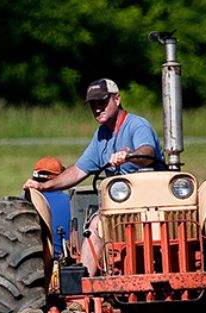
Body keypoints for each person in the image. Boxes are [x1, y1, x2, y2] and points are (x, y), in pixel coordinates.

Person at [23, 78, 163, 275]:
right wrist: (44, 186)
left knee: (98, 223)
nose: (97, 109)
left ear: (117, 98)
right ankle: (84, 290)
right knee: (95, 226)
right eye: (93, 105)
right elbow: (78, 171)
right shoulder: (102, 136)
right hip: (119, 208)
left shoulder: (136, 126)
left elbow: (148, 153)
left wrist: (128, 156)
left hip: (152, 203)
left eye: (102, 103)